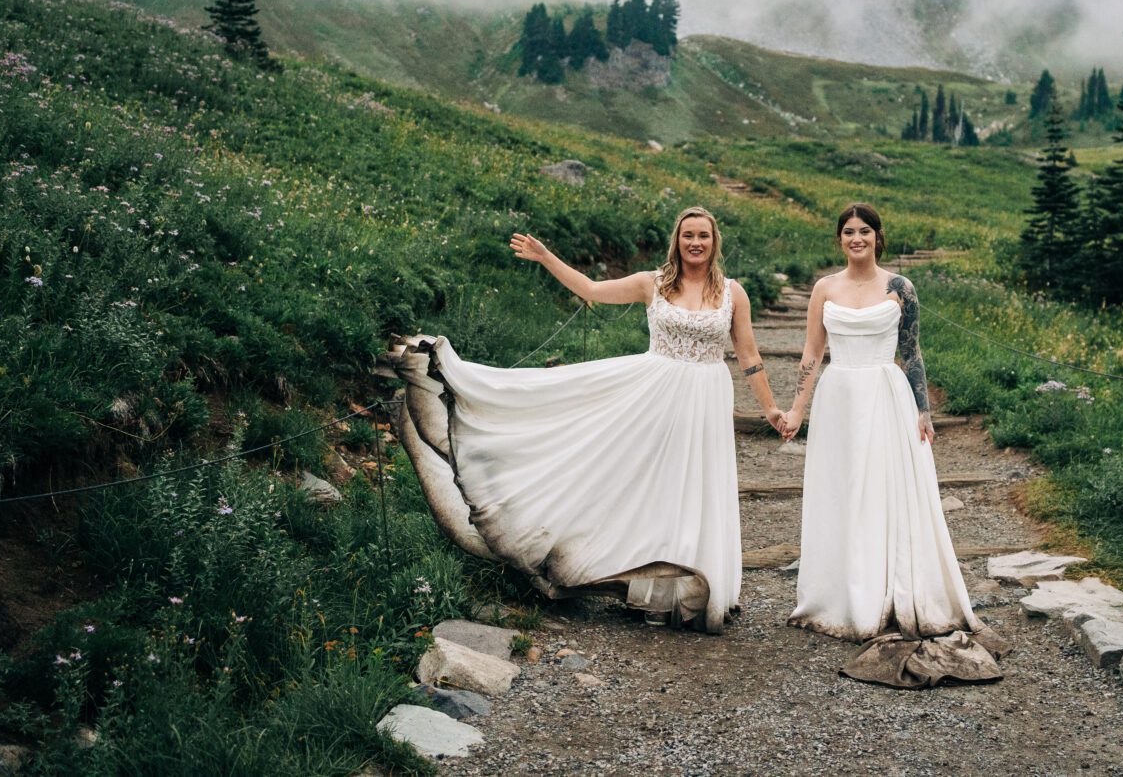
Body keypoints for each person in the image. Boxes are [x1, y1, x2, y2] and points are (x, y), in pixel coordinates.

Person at [388, 206, 783, 633]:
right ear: (678, 239)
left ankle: (695, 589)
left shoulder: (732, 293)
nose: (695, 243)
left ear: (714, 240)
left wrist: (772, 409)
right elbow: (592, 289)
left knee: (699, 485)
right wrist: (546, 257)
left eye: (703, 235)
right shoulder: (650, 283)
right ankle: (647, 585)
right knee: (653, 484)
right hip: (654, 393)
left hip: (706, 395)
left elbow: (749, 356)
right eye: (688, 235)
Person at [782, 203, 983, 643]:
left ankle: (888, 586)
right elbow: (812, 354)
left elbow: (911, 352)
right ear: (840, 238)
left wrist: (923, 409)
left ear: (878, 236)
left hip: (886, 393)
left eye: (865, 231)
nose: (857, 238)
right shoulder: (824, 288)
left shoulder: (900, 286)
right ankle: (842, 591)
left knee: (884, 489)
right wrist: (798, 409)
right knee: (842, 489)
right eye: (849, 231)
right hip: (838, 396)